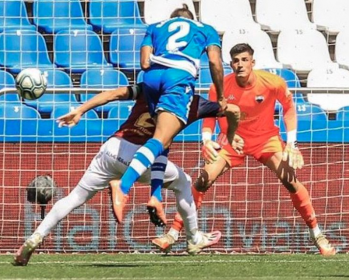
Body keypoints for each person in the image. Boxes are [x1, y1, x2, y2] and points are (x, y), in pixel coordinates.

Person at [12, 82, 239, 266]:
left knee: (74, 197)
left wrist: (80, 110)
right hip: (140, 157)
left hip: (112, 149)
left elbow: (112, 93)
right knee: (184, 182)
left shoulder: (148, 87)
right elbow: (233, 109)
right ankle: (193, 238)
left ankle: (35, 238)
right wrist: (230, 133)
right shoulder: (194, 103)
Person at [152, 43, 336, 256]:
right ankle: (173, 234)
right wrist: (206, 140)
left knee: (290, 179)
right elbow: (210, 114)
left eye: (244, 60)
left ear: (252, 62)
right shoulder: (220, 87)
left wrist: (292, 143)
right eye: (236, 61)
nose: (240, 65)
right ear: (231, 64)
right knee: (203, 178)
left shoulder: (272, 82)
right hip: (231, 141)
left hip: (265, 139)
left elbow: (289, 108)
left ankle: (318, 235)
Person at [111, 4, 232, 222]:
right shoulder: (206, 28)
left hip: (151, 77)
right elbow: (214, 61)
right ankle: (124, 184)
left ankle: (155, 196)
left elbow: (144, 61)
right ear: (190, 19)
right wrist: (221, 95)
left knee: (164, 138)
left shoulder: (155, 27)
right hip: (178, 78)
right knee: (160, 138)